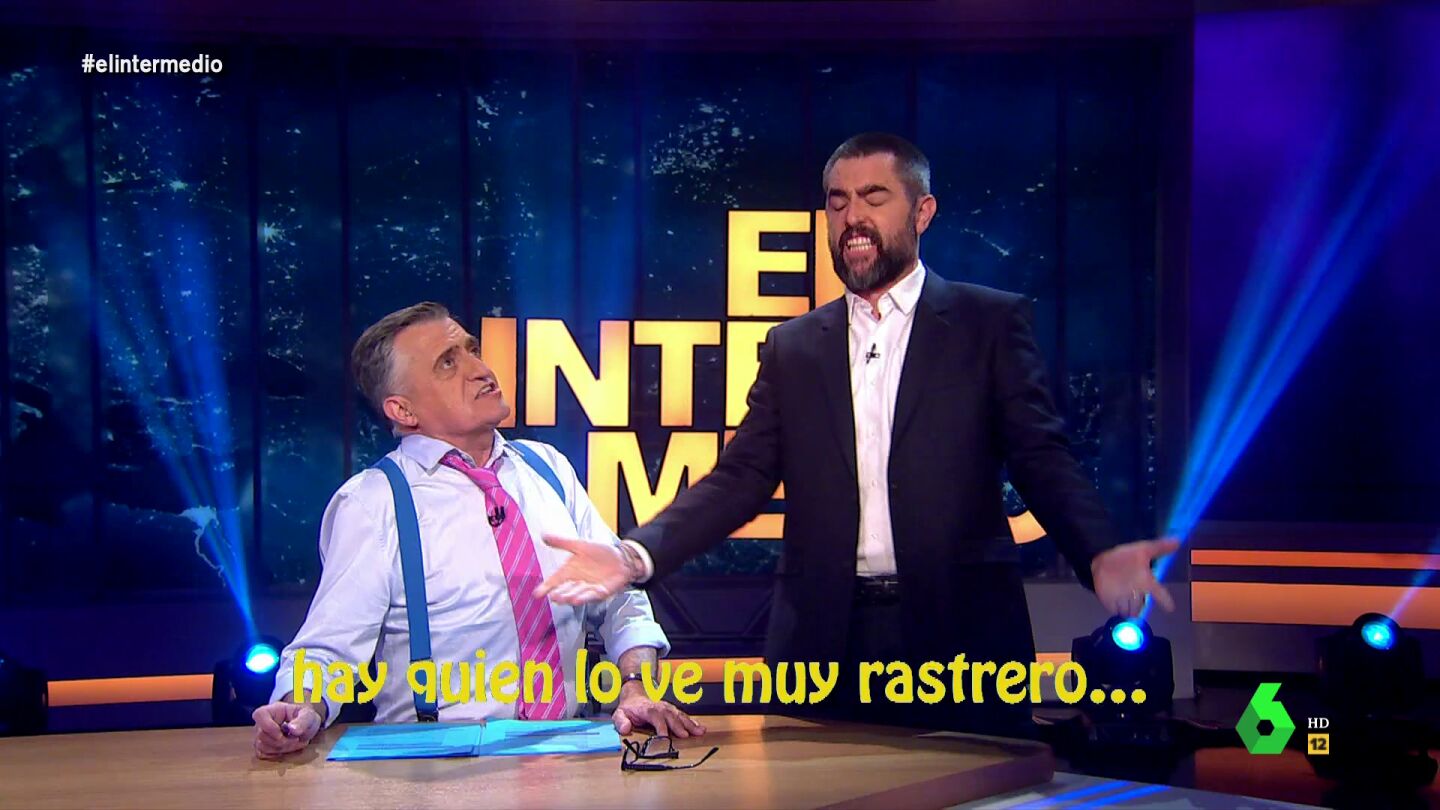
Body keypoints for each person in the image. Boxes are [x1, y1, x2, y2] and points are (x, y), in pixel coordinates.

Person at [537, 133, 1178, 737]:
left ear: (922, 212)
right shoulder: (794, 347)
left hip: (962, 633)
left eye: (874, 198)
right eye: (838, 202)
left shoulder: (987, 322)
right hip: (823, 641)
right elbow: (741, 478)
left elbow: (1041, 457)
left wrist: (1097, 550)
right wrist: (635, 556)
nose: (853, 218)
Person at [250, 302, 702, 760]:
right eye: (448, 363)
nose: (482, 370)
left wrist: (635, 687)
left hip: (567, 755)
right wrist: (299, 708)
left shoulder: (548, 470)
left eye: (472, 350)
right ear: (402, 409)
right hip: (433, 771)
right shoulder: (373, 502)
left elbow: (620, 596)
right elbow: (328, 647)